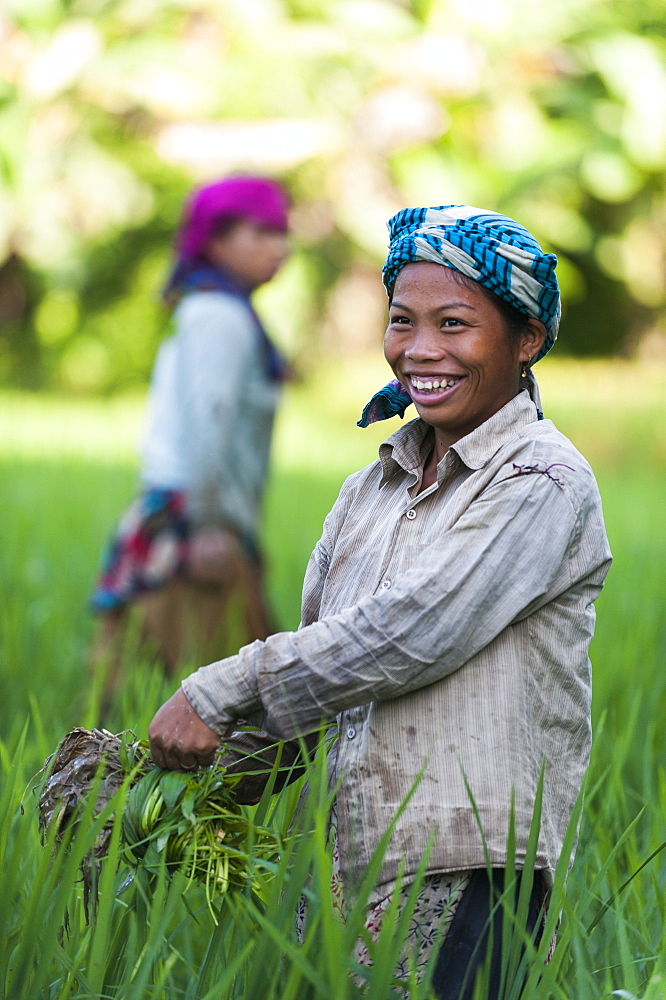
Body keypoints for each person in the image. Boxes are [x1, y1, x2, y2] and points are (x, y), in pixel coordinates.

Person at [148, 204, 612, 997]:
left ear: (526, 339)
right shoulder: (371, 487)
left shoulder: (543, 480)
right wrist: (170, 791)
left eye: (455, 324)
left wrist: (222, 686)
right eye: (403, 321)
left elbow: (413, 632)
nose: (421, 350)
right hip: (356, 865)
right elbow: (327, 678)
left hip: (473, 867)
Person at [91, 175, 291, 699]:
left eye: (283, 233)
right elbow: (210, 417)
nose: (281, 247)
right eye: (262, 232)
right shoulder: (220, 316)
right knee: (220, 706)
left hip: (190, 517)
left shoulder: (215, 308)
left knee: (160, 695)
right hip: (194, 527)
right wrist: (206, 525)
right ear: (217, 240)